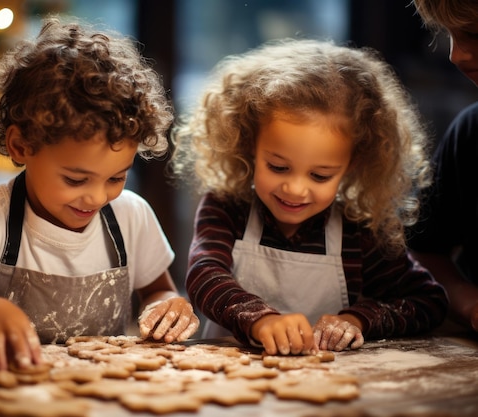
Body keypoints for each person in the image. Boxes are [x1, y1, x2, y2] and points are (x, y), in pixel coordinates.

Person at [0, 17, 199, 370]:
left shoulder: (130, 215)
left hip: (100, 392)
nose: (97, 197)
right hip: (6, 388)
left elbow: (157, 291)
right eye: (76, 180)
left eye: (116, 177)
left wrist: (166, 307)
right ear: (21, 145)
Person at [170, 38, 448, 356]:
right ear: (249, 145)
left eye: (320, 176)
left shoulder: (359, 233)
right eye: (278, 166)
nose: (295, 189)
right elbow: (205, 274)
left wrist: (358, 318)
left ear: (353, 165)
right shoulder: (227, 207)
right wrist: (259, 320)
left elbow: (428, 301)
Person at [408, 0, 478, 332]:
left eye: (474, 34)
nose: (457, 55)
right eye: (449, 34)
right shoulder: (471, 132)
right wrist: (469, 303)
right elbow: (424, 252)